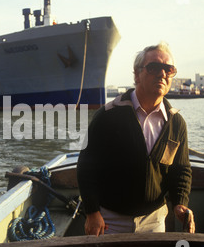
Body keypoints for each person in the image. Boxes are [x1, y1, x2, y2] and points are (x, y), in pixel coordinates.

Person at [77, 42, 195, 235]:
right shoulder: (107, 116)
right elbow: (86, 166)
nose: (162, 74)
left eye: (169, 69)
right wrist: (92, 212)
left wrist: (180, 203)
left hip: (155, 220)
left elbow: (181, 169)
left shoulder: (176, 123)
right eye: (154, 67)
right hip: (110, 221)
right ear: (136, 74)